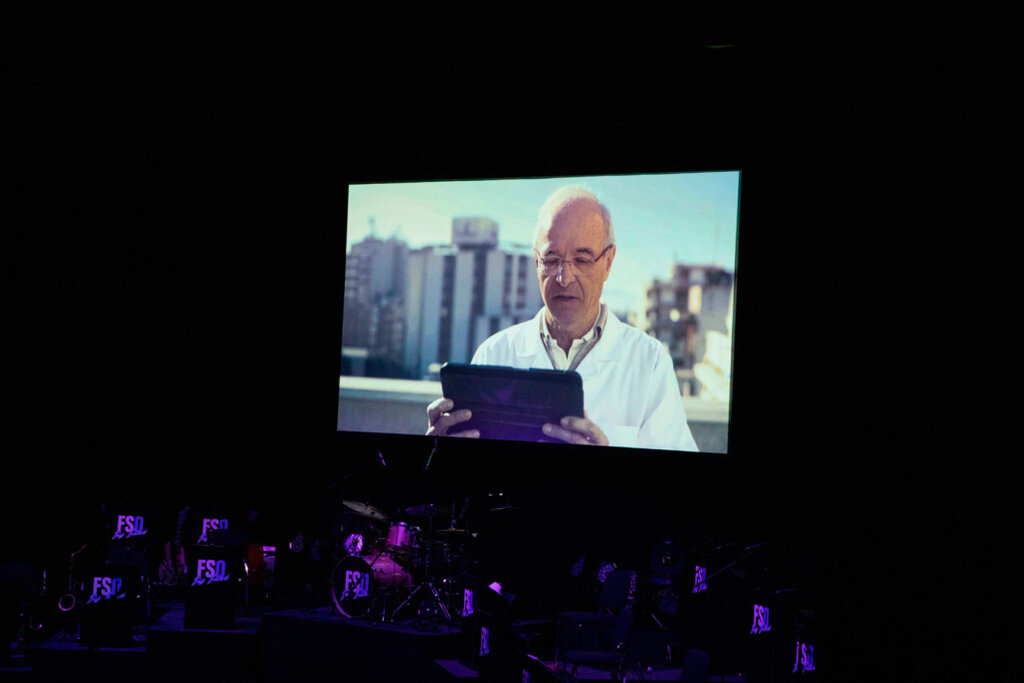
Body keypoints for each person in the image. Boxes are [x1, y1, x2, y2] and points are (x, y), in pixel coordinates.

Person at [427, 186, 699, 451]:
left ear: (608, 262)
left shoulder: (649, 363)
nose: (564, 277)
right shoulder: (493, 354)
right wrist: (439, 451)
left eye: (582, 260)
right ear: (536, 261)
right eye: (552, 259)